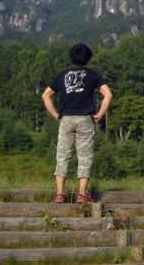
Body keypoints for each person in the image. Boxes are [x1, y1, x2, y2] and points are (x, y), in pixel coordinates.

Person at [42, 43, 112, 203]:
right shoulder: (93, 74)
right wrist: (100, 114)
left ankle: (60, 194)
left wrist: (56, 115)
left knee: (63, 156)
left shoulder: (62, 75)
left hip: (66, 118)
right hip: (85, 119)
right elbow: (108, 94)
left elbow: (45, 95)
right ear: (88, 57)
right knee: (85, 156)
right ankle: (82, 194)